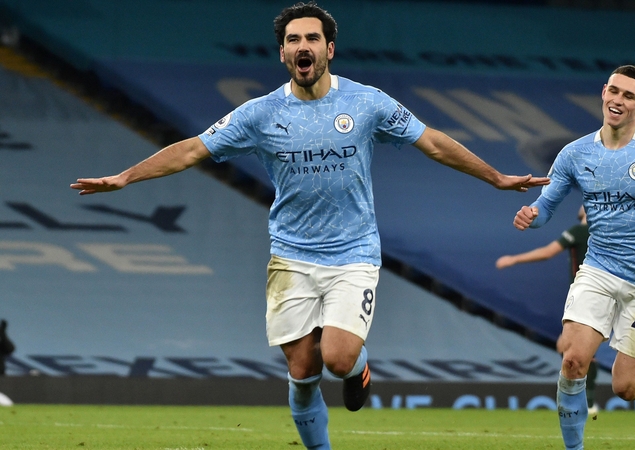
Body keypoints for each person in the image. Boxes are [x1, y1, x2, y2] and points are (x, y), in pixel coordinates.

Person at [70, 2, 549, 449]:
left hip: (353, 252)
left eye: (313, 39)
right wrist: (126, 177)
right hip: (292, 256)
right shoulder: (260, 113)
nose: (304, 46)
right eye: (294, 39)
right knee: (302, 372)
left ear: (329, 49)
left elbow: (434, 142)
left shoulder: (366, 103)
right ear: (283, 53)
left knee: (337, 358)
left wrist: (495, 177)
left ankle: (358, 370)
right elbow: (193, 149)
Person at [509, 65, 635, 450]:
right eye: (614, 92)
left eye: (628, 96)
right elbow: (546, 207)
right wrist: (531, 216)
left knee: (626, 389)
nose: (618, 101)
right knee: (573, 360)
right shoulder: (574, 153)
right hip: (598, 269)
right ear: (603, 92)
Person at [496, 206, 599, 419]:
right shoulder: (603, 233)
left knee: (568, 347)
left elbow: (548, 252)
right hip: (600, 296)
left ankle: (586, 402)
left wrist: (514, 259)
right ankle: (587, 400)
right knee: (579, 349)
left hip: (583, 295)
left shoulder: (580, 231)